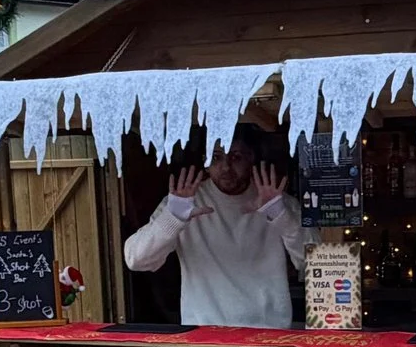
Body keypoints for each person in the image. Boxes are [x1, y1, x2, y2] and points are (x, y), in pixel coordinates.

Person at [122, 125, 306, 327]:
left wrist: (280, 215)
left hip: (269, 333)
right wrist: (172, 217)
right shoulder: (183, 201)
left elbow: (312, 265)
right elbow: (135, 259)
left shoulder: (278, 202)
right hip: (204, 336)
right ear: (205, 162)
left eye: (236, 157)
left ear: (252, 158)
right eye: (216, 157)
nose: (226, 167)